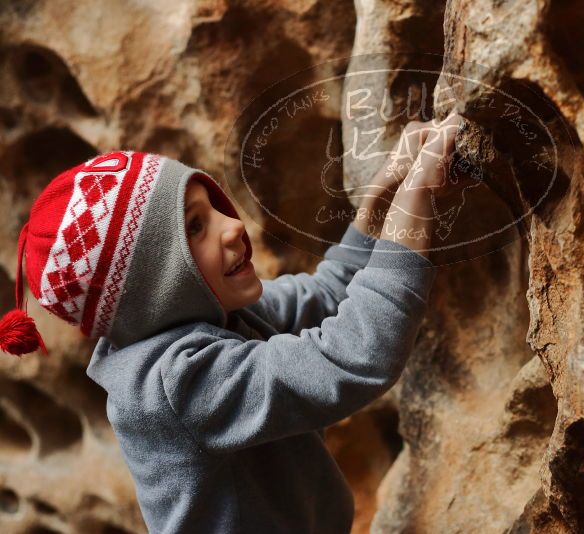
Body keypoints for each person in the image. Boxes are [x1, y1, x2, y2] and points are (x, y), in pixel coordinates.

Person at [0, 113, 467, 533]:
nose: (234, 225)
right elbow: (352, 358)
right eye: (195, 227)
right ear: (151, 289)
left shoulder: (219, 314)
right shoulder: (175, 385)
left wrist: (380, 205)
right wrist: (416, 201)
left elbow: (329, 294)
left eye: (215, 206)